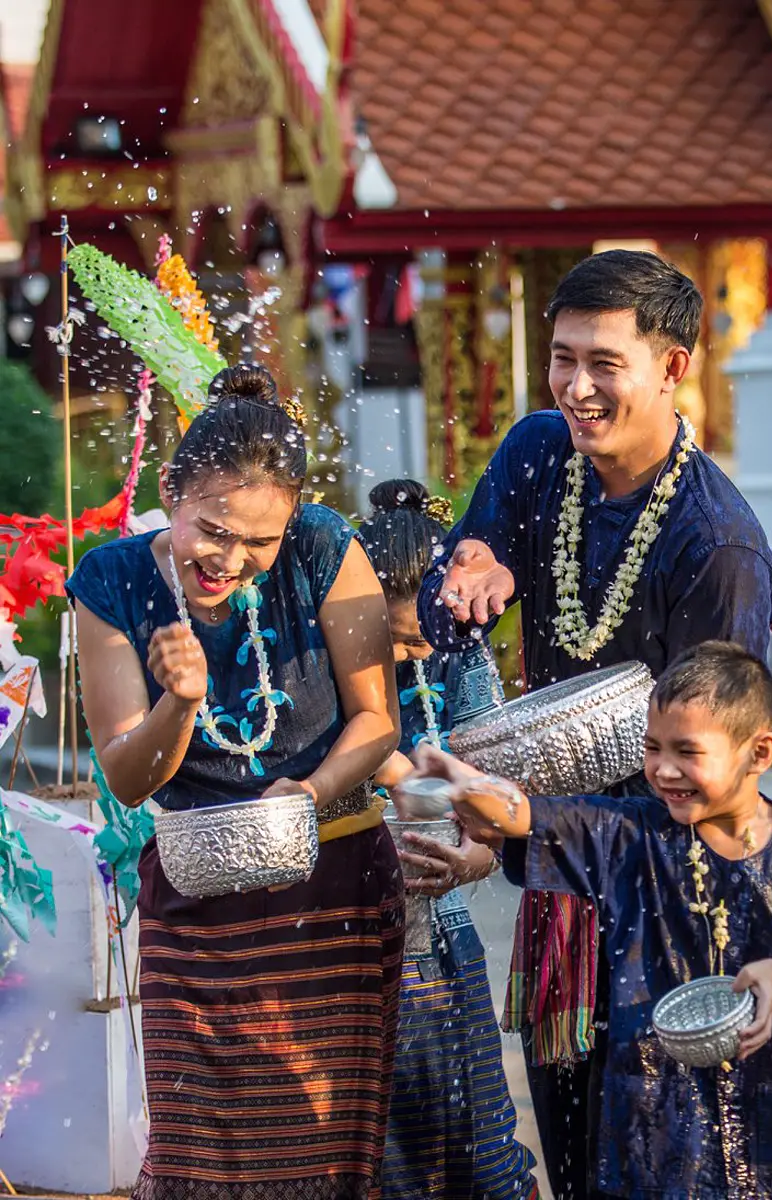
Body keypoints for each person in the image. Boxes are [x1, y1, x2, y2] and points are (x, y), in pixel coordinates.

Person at [416, 250, 772, 1199]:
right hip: (557, 897)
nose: (576, 387)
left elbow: (711, 781)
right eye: (561, 356)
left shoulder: (719, 545)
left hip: (672, 896)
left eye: (604, 363)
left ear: (672, 367)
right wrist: (470, 570)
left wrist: (512, 838)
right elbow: (439, 599)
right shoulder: (541, 454)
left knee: (673, 1159)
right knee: (573, 1154)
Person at [68, 366, 404, 1197]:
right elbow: (126, 773)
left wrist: (309, 794)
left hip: (333, 884)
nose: (231, 560)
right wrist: (180, 705)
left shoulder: (327, 547)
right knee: (197, 1154)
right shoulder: (111, 581)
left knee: (327, 1150)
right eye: (212, 530)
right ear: (170, 491)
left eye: (260, 541)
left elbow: (377, 721)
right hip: (195, 902)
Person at [435, 642, 772, 1198]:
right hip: (661, 1128)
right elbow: (524, 814)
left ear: (761, 752)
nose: (663, 770)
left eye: (687, 752)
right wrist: (456, 781)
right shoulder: (629, 834)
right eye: (652, 748)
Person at [359, 479, 538, 1200]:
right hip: (352, 935)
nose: (419, 645)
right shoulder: (327, 661)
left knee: (475, 1148)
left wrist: (475, 857)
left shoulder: (459, 655)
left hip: (443, 931)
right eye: (402, 635)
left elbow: (499, 794)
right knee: (378, 1154)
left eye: (428, 626)